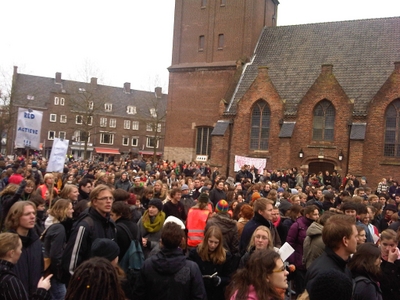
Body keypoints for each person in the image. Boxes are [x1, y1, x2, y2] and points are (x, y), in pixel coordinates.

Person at [133, 222, 207, 300]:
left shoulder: (148, 265)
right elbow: (199, 296)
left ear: (161, 241)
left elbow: (138, 294)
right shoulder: (192, 268)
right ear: (182, 240)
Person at [62, 185, 116, 282]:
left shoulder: (111, 224)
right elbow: (71, 264)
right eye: (104, 198)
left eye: (110, 198)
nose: (108, 201)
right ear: (94, 201)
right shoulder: (85, 226)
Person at [305, 214, 357, 294]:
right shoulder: (325, 276)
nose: (357, 240)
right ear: (345, 240)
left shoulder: (342, 264)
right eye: (355, 236)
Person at [4, 201, 43, 297]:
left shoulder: (36, 241)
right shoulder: (6, 244)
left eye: (34, 213)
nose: (32, 217)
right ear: (15, 217)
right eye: (27, 214)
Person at [0, 232, 52, 300]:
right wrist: (42, 290)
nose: (21, 252)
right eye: (20, 249)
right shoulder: (9, 280)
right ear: (12, 253)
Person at [188, 225, 234, 300]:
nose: (213, 245)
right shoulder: (196, 253)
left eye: (216, 243)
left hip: (216, 294)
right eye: (211, 241)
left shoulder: (226, 256)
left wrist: (219, 280)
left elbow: (229, 277)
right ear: (206, 240)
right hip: (199, 293)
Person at [42, 199, 74, 300]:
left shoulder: (54, 225)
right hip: (55, 274)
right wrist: (60, 274)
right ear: (64, 210)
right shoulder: (59, 228)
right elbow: (55, 254)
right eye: (70, 208)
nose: (72, 211)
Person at [286, 205, 319, 294]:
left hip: (311, 262)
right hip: (299, 263)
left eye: (318, 214)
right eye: (315, 214)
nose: (317, 216)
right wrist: (293, 262)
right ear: (308, 215)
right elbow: (290, 244)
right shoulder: (297, 225)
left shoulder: (317, 226)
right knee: (301, 290)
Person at [379, 229, 400, 299]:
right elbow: (384, 284)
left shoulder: (399, 258)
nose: (387, 249)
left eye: (391, 245)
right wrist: (390, 262)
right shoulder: (375, 258)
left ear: (396, 244)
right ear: (380, 242)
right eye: (384, 244)